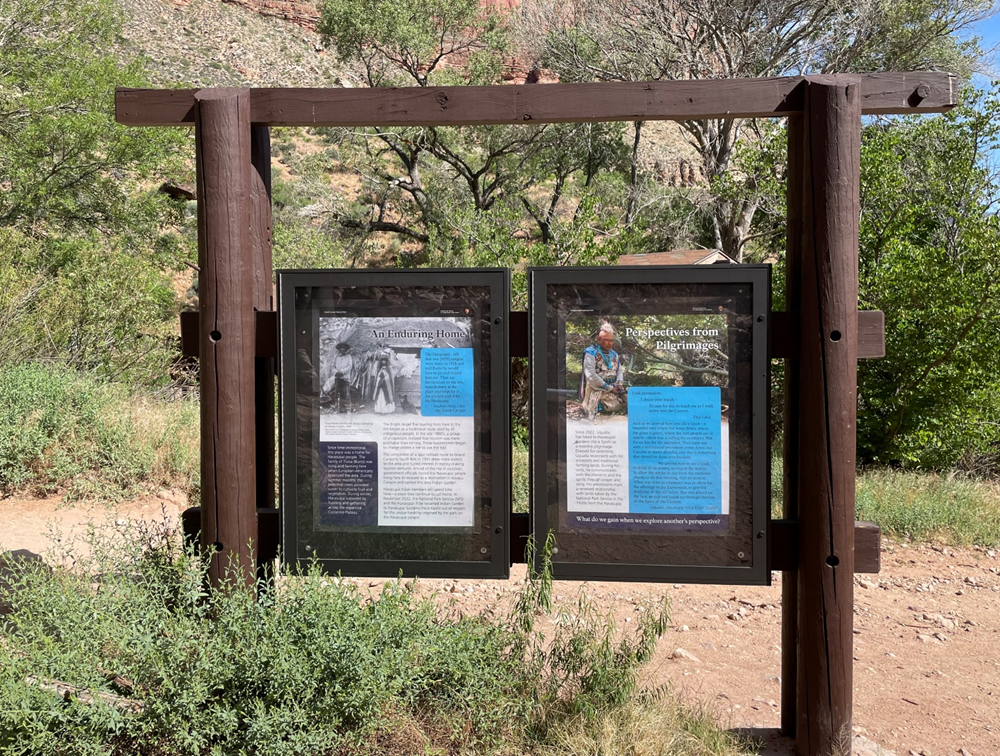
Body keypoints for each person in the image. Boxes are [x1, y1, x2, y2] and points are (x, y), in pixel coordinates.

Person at [579, 323, 625, 421]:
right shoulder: (590, 352)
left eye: (611, 341)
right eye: (606, 340)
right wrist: (609, 388)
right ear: (599, 340)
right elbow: (591, 375)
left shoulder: (614, 354)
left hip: (613, 387)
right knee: (610, 407)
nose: (609, 343)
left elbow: (619, 370)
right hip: (597, 389)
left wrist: (619, 384)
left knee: (629, 401)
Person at [322, 342, 355, 413]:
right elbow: (333, 366)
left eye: (344, 348)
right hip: (337, 378)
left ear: (346, 349)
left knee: (346, 393)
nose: (342, 349)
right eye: (341, 348)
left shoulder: (348, 357)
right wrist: (336, 372)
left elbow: (349, 366)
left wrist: (342, 372)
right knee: (337, 393)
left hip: (345, 378)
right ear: (339, 349)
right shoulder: (336, 357)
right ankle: (338, 408)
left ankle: (348, 408)